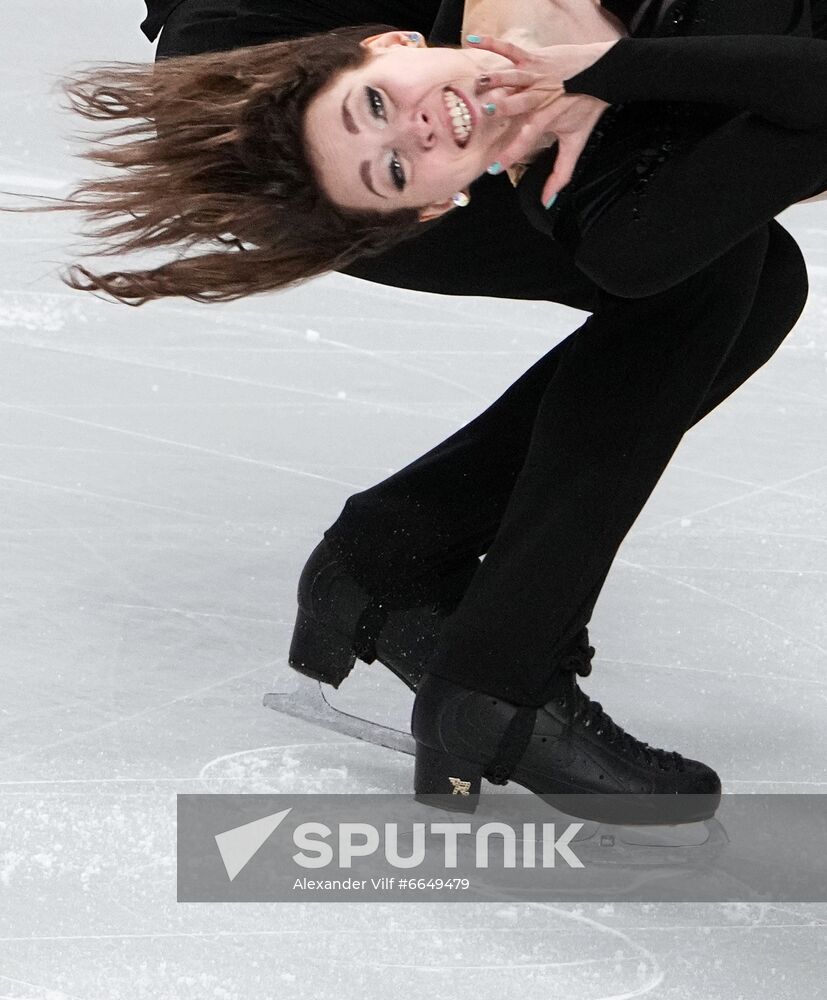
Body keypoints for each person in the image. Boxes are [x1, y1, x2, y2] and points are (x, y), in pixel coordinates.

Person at [28, 0, 825, 821]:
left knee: (739, 270)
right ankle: (494, 682)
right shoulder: (385, 139)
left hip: (370, 51)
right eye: (400, 172)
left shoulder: (404, 78)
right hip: (287, 87)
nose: (413, 132)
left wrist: (603, 71)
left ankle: (395, 552)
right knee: (689, 263)